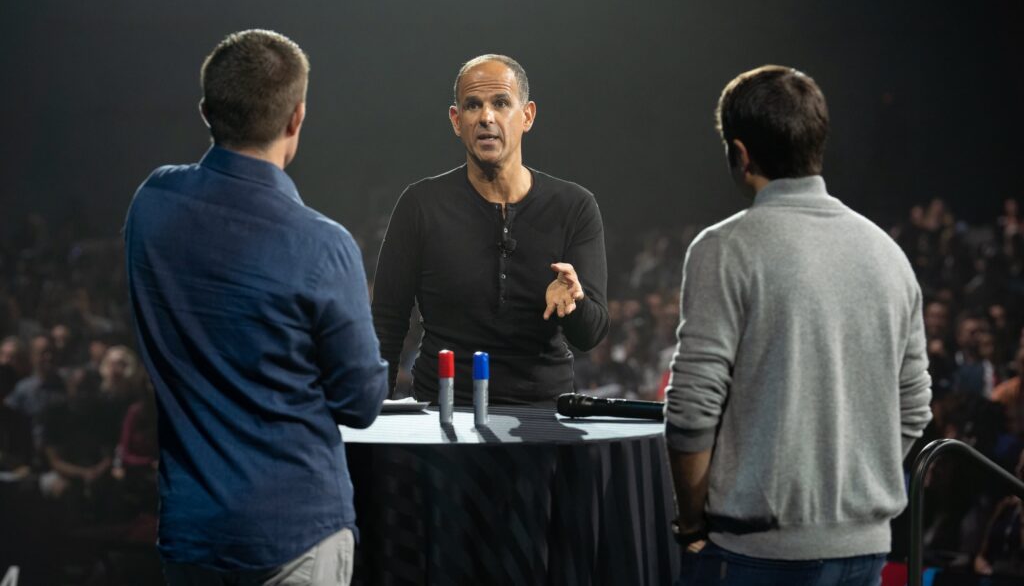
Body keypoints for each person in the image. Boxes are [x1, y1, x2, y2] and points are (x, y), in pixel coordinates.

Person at [125, 29, 387, 585]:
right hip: (296, 530)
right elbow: (361, 402)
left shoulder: (151, 205)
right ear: (296, 118)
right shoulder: (323, 244)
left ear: (206, 113)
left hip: (193, 533)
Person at [664, 65, 933, 585]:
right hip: (865, 550)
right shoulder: (888, 255)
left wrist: (691, 520)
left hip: (754, 554)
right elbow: (915, 407)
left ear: (740, 154)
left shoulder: (725, 249)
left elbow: (692, 410)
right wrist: (849, 488)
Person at [372, 54, 608, 406]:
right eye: (472, 105)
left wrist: (575, 303)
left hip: (543, 422)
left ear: (527, 115)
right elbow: (387, 323)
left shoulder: (575, 206)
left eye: (501, 103)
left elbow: (591, 334)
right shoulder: (420, 205)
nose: (486, 117)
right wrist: (373, 418)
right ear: (456, 120)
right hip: (441, 422)